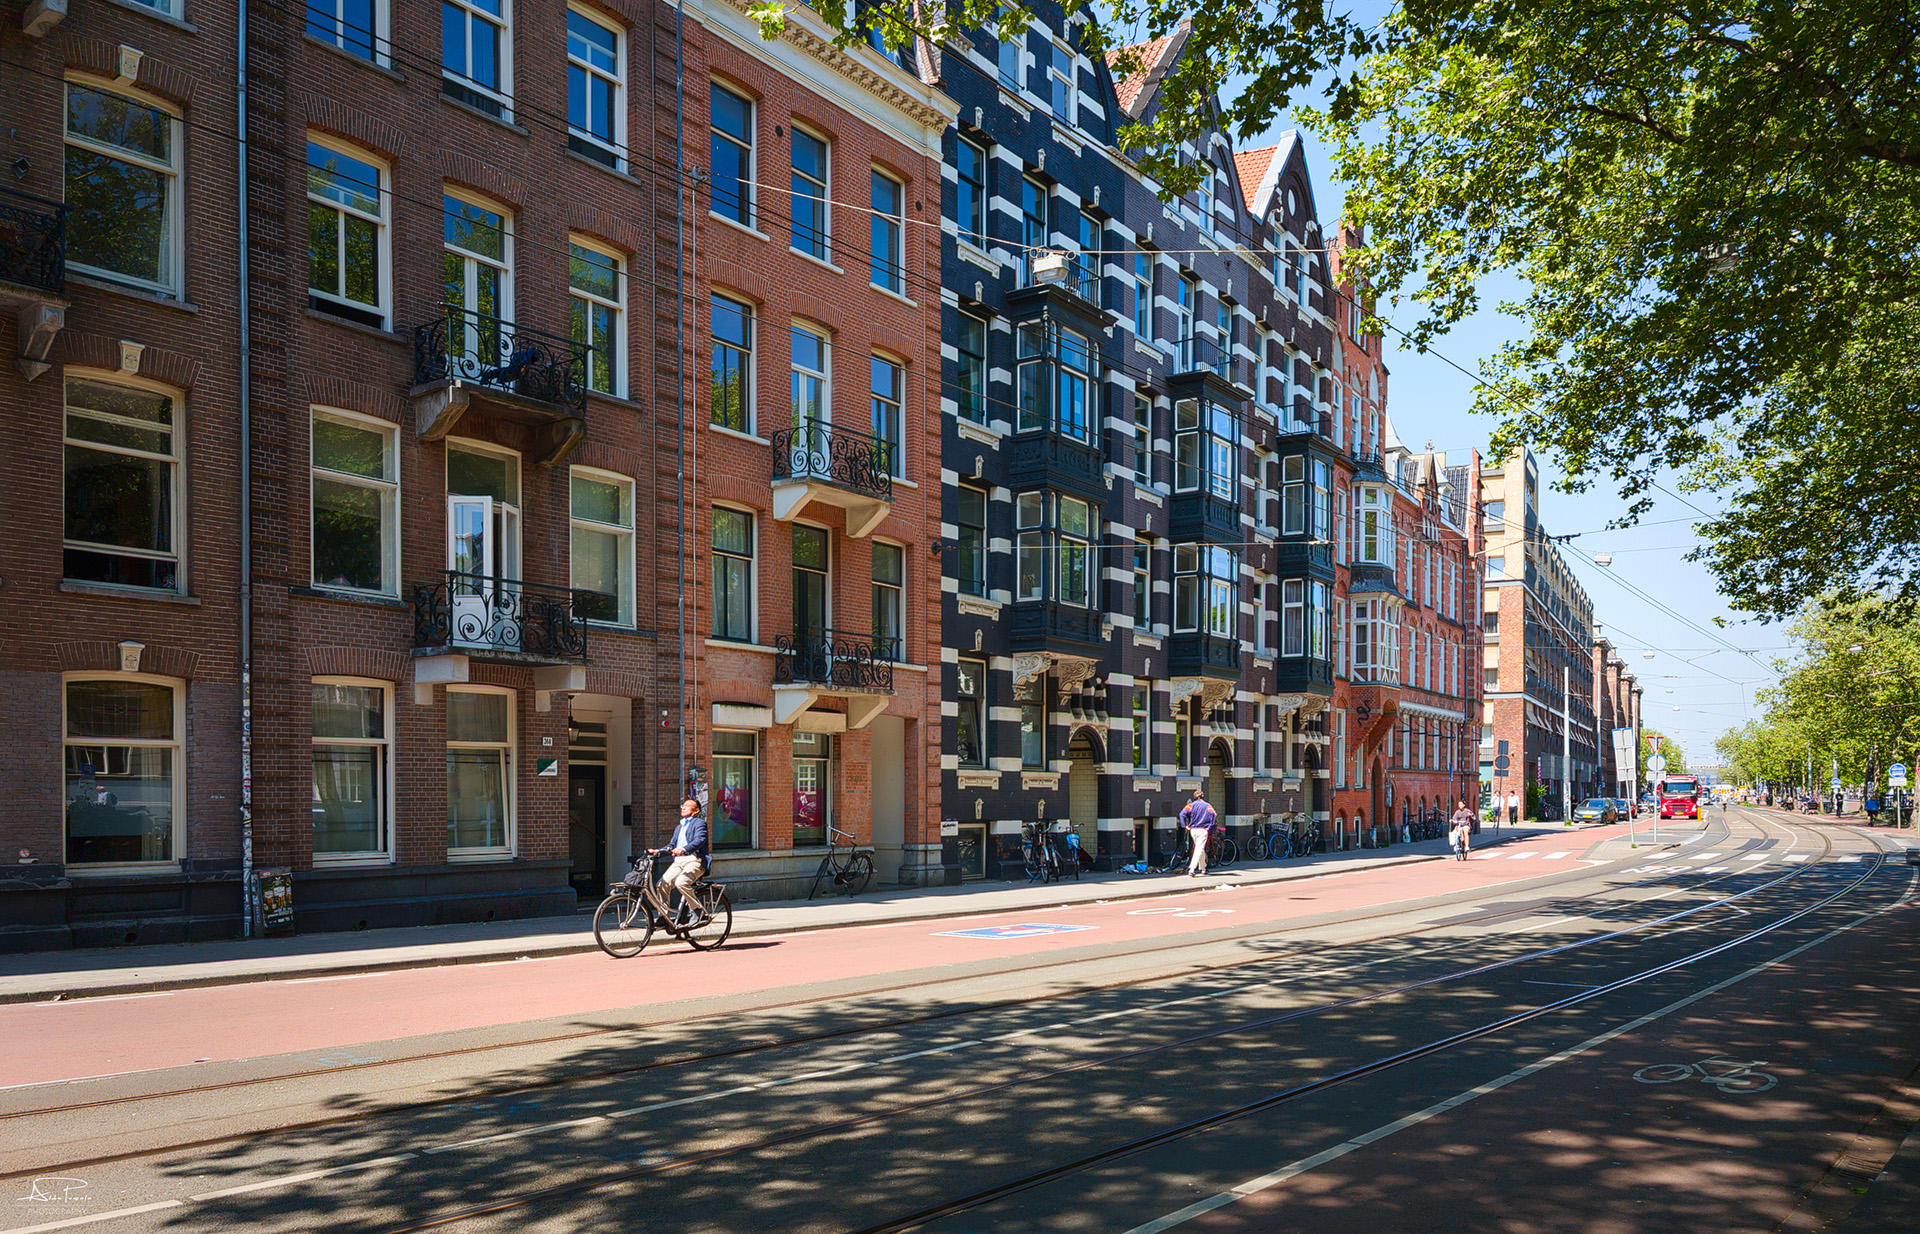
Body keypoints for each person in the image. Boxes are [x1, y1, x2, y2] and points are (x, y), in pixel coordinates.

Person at [650, 797, 710, 923]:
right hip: (678, 861)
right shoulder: (679, 826)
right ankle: (664, 916)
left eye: (687, 805)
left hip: (694, 860)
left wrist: (684, 849)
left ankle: (698, 910)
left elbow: (699, 840)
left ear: (696, 810)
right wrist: (658, 851)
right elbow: (672, 846)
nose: (683, 807)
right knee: (661, 885)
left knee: (681, 882)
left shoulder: (699, 823)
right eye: (683, 805)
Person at [1179, 788, 1217, 876]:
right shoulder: (1208, 806)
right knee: (1199, 849)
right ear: (1203, 797)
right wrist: (1210, 826)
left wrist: (1185, 825)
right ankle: (1192, 869)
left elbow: (1182, 814)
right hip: (1203, 830)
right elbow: (1214, 814)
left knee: (1200, 848)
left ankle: (1203, 868)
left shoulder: (1190, 805)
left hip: (1193, 830)